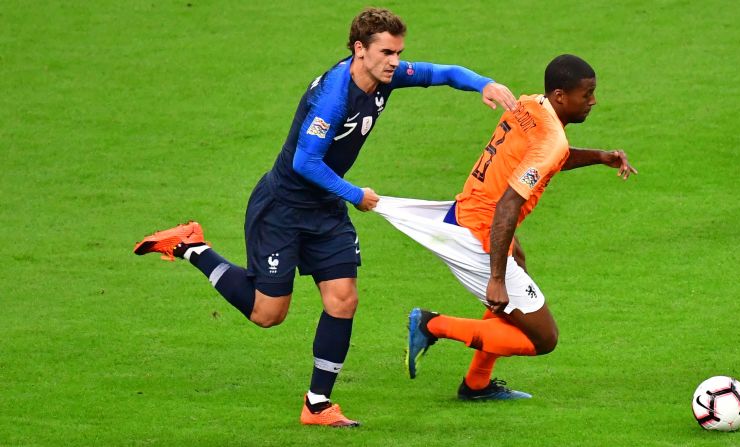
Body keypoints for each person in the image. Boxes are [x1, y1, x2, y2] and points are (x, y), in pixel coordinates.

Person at [132, 7, 516, 427]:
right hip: (283, 209)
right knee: (268, 314)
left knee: (343, 299)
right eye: (386, 52)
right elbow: (305, 162)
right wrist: (356, 195)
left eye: (398, 52)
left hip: (324, 211)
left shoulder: (385, 76)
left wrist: (485, 84)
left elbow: (439, 72)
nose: (395, 60)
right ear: (359, 50)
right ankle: (192, 246)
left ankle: (317, 404)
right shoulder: (334, 96)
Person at [374, 54, 637, 400]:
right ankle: (431, 325)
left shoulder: (530, 104)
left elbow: (550, 155)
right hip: (480, 233)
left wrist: (599, 156)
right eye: (586, 94)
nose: (593, 101)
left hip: (469, 210)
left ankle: (476, 384)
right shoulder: (551, 142)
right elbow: (508, 204)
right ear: (560, 96)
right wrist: (496, 278)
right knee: (544, 338)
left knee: (519, 259)